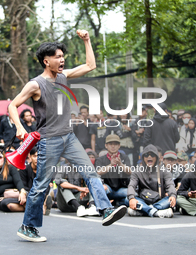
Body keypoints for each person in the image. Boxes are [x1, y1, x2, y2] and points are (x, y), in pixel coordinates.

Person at [8, 30, 127, 242]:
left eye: (63, 56)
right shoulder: (35, 84)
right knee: (42, 185)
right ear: (46, 61)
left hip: (69, 137)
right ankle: (28, 226)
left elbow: (90, 66)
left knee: (90, 172)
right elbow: (12, 105)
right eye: (58, 57)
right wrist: (19, 126)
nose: (62, 60)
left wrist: (87, 41)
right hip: (49, 140)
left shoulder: (63, 76)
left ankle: (106, 210)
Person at [127, 144, 176, 218]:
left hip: (159, 201)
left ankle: (143, 211)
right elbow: (131, 186)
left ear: (156, 157)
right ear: (143, 158)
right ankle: (156, 212)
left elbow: (170, 185)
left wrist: (173, 195)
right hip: (143, 200)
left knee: (171, 200)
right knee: (127, 199)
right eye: (146, 155)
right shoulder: (137, 171)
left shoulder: (164, 171)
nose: (149, 157)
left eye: (152, 155)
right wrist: (131, 198)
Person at [95, 134, 131, 206]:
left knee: (133, 194)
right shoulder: (100, 159)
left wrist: (120, 164)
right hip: (107, 187)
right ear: (106, 146)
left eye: (115, 144)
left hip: (121, 189)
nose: (113, 146)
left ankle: (119, 203)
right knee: (101, 189)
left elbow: (130, 172)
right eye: (110, 144)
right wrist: (111, 165)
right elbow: (98, 172)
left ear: (119, 145)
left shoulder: (124, 157)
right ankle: (106, 205)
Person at [19, 147, 53, 215]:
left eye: (39, 156)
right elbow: (23, 185)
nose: (37, 159)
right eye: (34, 156)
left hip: (42, 194)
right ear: (30, 156)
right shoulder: (24, 170)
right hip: (29, 193)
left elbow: (47, 186)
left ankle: (43, 203)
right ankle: (41, 207)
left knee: (47, 187)